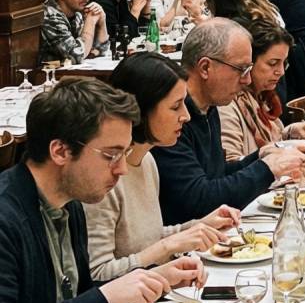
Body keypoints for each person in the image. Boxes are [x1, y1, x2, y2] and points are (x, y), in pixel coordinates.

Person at [0, 80, 203, 303]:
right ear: (60, 151)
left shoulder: (69, 204)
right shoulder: (7, 219)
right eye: (111, 155)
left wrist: (152, 281)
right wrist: (104, 298)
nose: (122, 169)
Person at [84, 53, 238, 282]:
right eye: (175, 107)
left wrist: (200, 226)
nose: (186, 116)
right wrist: (169, 245)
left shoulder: (147, 161)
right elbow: (97, 275)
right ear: (141, 109)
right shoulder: (105, 177)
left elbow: (149, 237)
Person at [152, 18, 305, 219]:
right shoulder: (172, 117)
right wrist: (267, 168)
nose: (247, 79)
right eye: (241, 69)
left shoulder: (209, 106)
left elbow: (216, 175)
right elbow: (198, 200)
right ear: (205, 68)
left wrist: (261, 156)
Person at [218, 21, 305, 160]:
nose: (281, 72)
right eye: (273, 63)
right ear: (249, 62)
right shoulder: (227, 105)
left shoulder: (263, 97)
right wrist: (284, 148)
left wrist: (291, 132)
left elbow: (272, 141)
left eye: (284, 63)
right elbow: (230, 162)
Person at [40, 0, 110, 63]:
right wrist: (90, 21)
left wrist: (102, 21)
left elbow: (101, 49)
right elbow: (77, 55)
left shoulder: (76, 14)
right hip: (48, 72)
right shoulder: (51, 16)